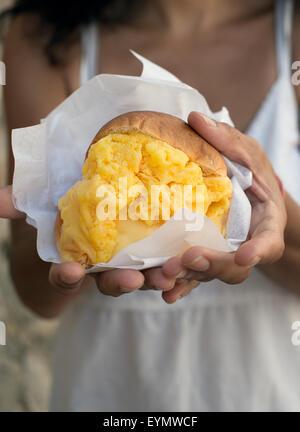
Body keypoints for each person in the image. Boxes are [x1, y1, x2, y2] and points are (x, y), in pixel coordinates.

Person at [1, 0, 299, 411]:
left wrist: (264, 206)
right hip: (107, 393)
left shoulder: (291, 31)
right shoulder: (43, 36)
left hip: (267, 393)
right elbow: (36, 292)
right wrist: (65, 227)